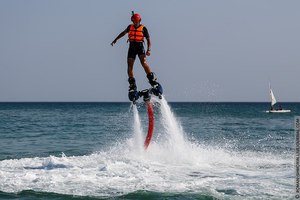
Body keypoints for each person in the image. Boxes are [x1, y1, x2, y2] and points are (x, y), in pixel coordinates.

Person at [111, 12, 162, 102]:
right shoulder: (129, 27)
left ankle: (152, 80)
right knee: (129, 65)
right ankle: (132, 84)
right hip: (132, 47)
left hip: (140, 47)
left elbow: (148, 40)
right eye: (133, 21)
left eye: (136, 21)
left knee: (144, 62)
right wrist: (115, 39)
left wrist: (149, 49)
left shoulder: (143, 28)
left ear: (139, 20)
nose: (135, 23)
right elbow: (123, 33)